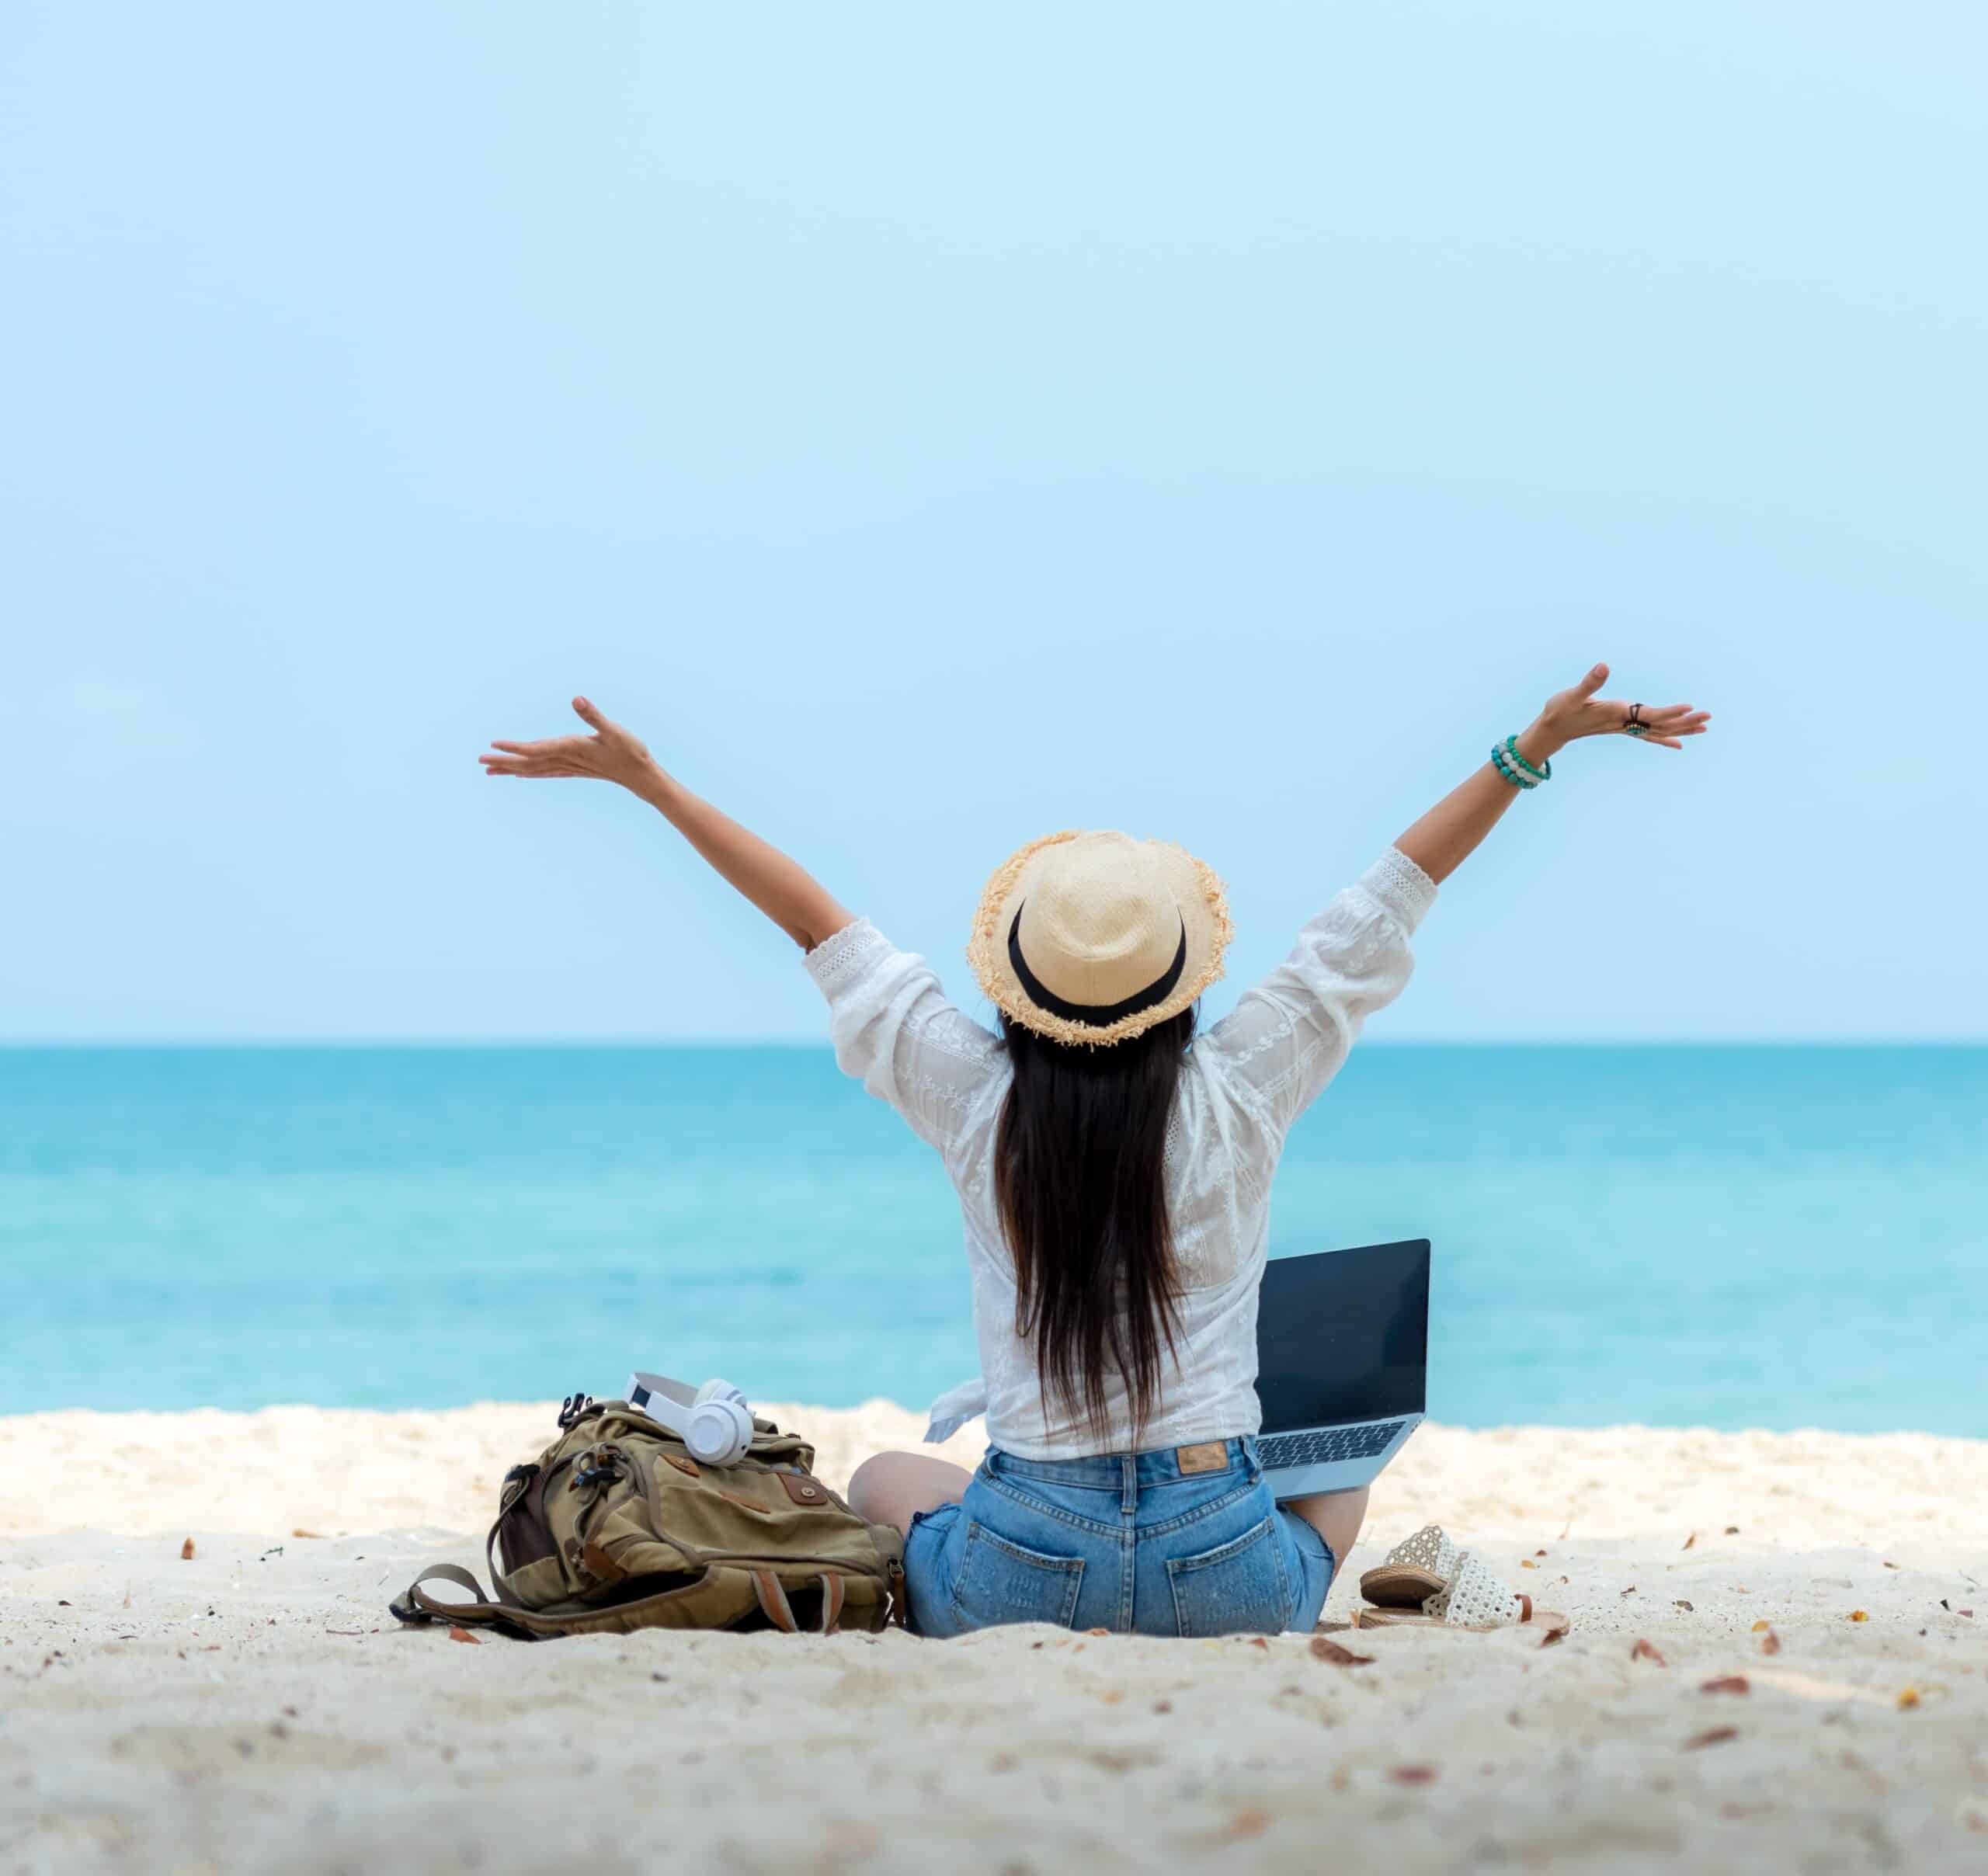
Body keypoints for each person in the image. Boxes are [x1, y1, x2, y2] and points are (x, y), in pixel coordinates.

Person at [481, 663, 1708, 1636]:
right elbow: (1389, 899)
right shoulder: (1247, 1082)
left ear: (1016, 984)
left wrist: (654, 786)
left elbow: (815, 923)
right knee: (1344, 1467)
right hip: (1226, 1575)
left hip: (1015, 1573)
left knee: (880, 1483)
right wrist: (1531, 750)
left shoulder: (968, 1091)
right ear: (1180, 982)